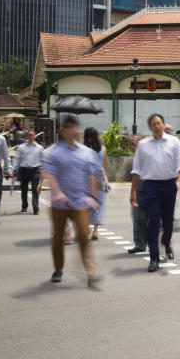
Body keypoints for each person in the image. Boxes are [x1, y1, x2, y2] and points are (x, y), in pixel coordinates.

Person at [44, 115, 101, 288]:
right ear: (62, 131)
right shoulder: (54, 153)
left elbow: (92, 176)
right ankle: (58, 269)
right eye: (68, 128)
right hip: (59, 204)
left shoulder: (87, 152)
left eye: (74, 127)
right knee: (58, 238)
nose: (72, 131)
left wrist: (93, 197)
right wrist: (57, 193)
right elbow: (50, 176)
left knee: (84, 236)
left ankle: (90, 272)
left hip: (80, 203)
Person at [130, 114, 180, 272]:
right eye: (154, 124)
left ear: (164, 125)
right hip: (150, 186)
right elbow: (136, 170)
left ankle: (167, 242)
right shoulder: (143, 145)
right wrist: (132, 192)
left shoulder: (174, 142)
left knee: (168, 221)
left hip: (168, 186)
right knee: (153, 221)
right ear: (149, 127)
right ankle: (154, 258)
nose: (157, 126)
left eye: (159, 123)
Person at [124, 135, 148, 255]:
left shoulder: (148, 156)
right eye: (130, 143)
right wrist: (133, 192)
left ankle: (161, 245)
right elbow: (133, 176)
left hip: (153, 192)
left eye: (133, 143)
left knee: (154, 221)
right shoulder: (133, 158)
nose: (130, 146)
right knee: (138, 219)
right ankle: (140, 244)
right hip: (140, 192)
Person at [84, 128, 109, 240]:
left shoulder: (83, 149)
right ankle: (95, 231)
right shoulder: (103, 149)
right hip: (99, 180)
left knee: (86, 206)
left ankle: (87, 228)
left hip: (87, 180)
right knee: (98, 205)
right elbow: (104, 166)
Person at [16, 130, 44, 215]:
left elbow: (43, 160)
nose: (30, 137)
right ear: (26, 137)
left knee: (35, 189)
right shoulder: (21, 147)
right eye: (29, 135)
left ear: (35, 136)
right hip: (24, 169)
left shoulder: (40, 147)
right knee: (24, 189)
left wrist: (43, 171)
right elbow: (17, 158)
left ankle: (35, 208)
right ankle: (24, 206)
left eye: (32, 135)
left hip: (35, 170)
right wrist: (14, 168)